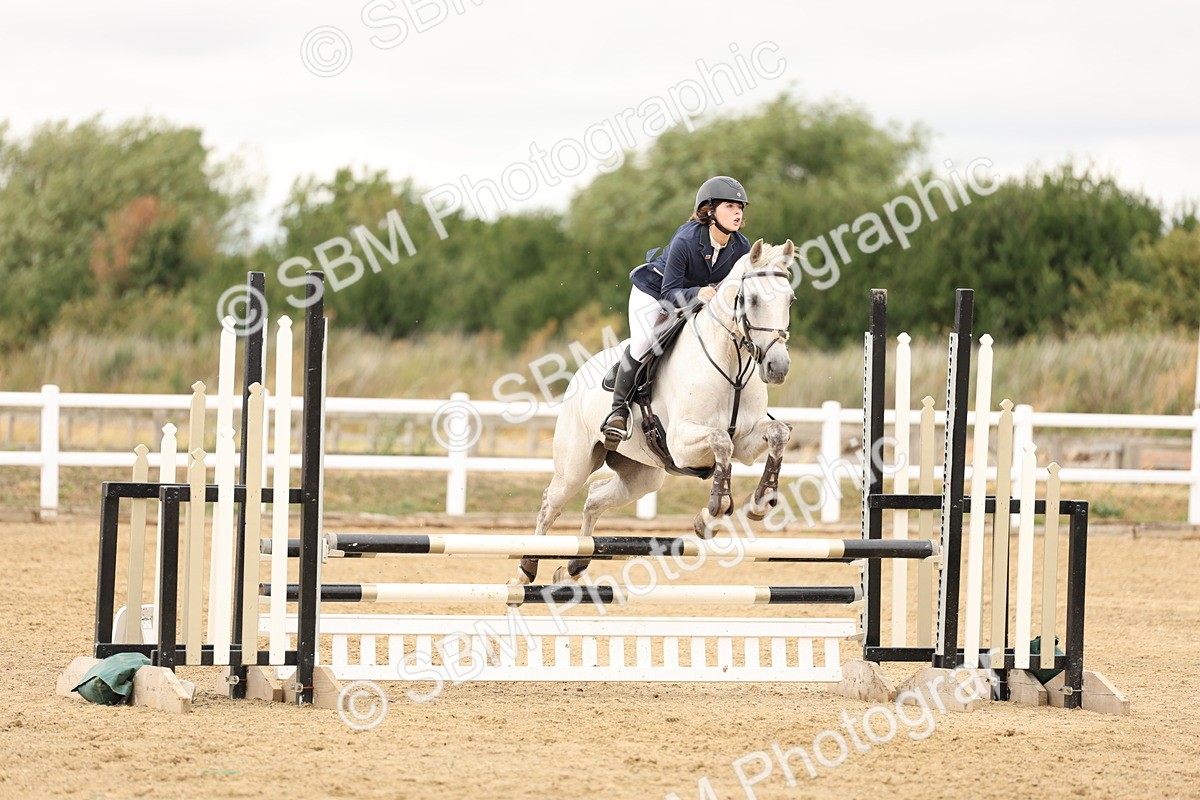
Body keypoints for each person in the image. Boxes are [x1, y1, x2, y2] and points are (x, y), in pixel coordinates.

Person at [600, 175, 752, 447]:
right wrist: (698, 293)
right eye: (730, 206)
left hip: (699, 297)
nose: (738, 212)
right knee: (646, 342)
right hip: (655, 292)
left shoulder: (742, 246)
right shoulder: (686, 239)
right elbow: (669, 294)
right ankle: (618, 410)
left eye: (740, 207)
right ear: (709, 210)